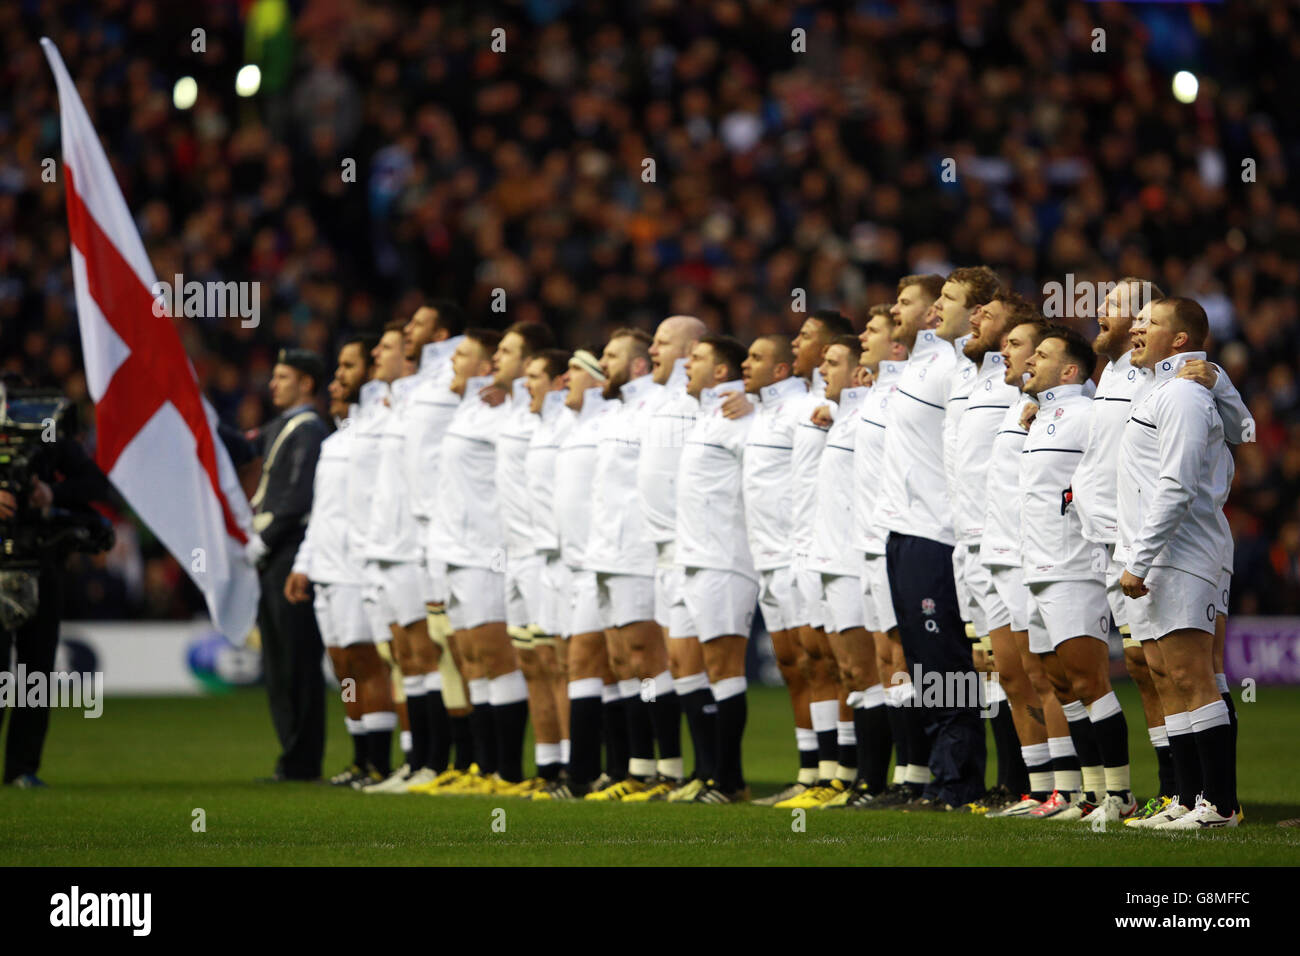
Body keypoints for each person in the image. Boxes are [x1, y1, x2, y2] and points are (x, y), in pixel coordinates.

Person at [1119, 299, 1240, 829]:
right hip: (1156, 553)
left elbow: (1177, 484)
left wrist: (1140, 559)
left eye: (1150, 322)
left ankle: (1218, 803)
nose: (1135, 326)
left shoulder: (1187, 394)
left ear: (1181, 341)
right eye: (1136, 319)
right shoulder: (1156, 389)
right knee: (1167, 675)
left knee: (1192, 674)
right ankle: (1187, 800)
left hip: (1182, 552)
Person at [876, 269, 991, 810]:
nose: (939, 306)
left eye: (948, 298)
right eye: (938, 296)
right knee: (924, 664)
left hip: (937, 533)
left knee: (947, 663)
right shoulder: (921, 365)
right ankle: (933, 778)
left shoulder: (963, 371)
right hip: (902, 532)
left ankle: (960, 781)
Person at [1018, 326, 1135, 821]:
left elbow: (1117, 467)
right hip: (1037, 566)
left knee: (1090, 682)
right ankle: (1090, 796)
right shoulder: (1043, 415)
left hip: (1074, 566)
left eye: (1041, 355)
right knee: (1059, 684)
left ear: (1069, 370)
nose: (1030, 360)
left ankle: (1121, 795)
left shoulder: (1089, 414)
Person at [285, 335, 396, 788]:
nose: (337, 380)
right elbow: (323, 512)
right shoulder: (335, 441)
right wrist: (303, 562)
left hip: (357, 570)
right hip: (327, 569)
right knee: (342, 668)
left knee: (366, 663)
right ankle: (358, 756)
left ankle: (379, 761)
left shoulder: (378, 431)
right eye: (337, 370)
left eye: (348, 368)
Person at [584, 329, 682, 801]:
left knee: (648, 663)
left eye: (610, 354)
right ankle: (636, 768)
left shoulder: (658, 410)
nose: (602, 362)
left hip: (637, 553)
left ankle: (669, 769)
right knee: (622, 663)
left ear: (639, 365)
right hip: (604, 553)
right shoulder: (614, 411)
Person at [0, 377, 112, 788]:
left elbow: (95, 483)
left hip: (40, 556)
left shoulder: (48, 434)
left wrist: (52, 491)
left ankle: (22, 768)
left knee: (36, 671)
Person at [805, 334, 891, 808]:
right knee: (849, 672)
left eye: (833, 362)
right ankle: (852, 775)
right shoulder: (842, 418)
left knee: (866, 670)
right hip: (830, 559)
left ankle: (875, 780)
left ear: (860, 374)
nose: (823, 369)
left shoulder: (864, 419)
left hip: (856, 560)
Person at [673, 335, 758, 803]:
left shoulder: (742, 417)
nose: (688, 363)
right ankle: (707, 773)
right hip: (690, 558)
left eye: (698, 358)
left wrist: (756, 402)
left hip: (725, 558)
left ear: (722, 372)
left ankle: (729, 780)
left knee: (724, 670)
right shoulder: (708, 414)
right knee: (686, 666)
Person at [628, 314, 708, 802]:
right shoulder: (657, 401)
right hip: (656, 552)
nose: (653, 349)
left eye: (662, 341)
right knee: (659, 668)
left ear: (692, 349)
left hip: (692, 550)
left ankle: (713, 772)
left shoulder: (707, 403)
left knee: (692, 666)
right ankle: (670, 768)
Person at [242, 348, 330, 782]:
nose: (272, 384)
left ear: (306, 384)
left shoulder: (309, 431)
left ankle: (303, 759)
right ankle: (292, 755)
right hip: (273, 554)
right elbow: (241, 444)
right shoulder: (283, 427)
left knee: (297, 661)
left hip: (290, 553)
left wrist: (265, 540)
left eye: (282, 377)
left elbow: (297, 499)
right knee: (279, 662)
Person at [738, 334, 817, 804]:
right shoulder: (758, 412)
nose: (746, 364)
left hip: (797, 556)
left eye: (755, 357)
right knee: (791, 665)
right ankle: (809, 773)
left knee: (818, 664)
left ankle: (838, 772)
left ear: (782, 371)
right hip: (765, 559)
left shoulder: (805, 410)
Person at [534, 351, 616, 799]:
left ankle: (586, 772)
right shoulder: (571, 426)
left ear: (601, 382)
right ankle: (584, 767)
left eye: (576, 371)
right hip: (566, 563)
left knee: (597, 667)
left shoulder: (612, 423)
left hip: (601, 564)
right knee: (573, 666)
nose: (565, 378)